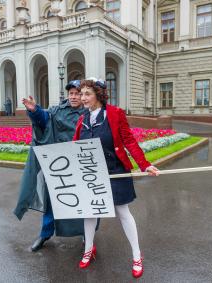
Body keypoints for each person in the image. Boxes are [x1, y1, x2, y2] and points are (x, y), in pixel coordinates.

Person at [72, 78, 160, 278]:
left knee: (123, 212)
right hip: (92, 173)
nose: (82, 98)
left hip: (115, 170)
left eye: (87, 94)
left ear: (98, 95)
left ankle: (137, 256)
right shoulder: (82, 118)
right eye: (81, 94)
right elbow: (76, 145)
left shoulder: (115, 114)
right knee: (90, 212)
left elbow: (128, 140)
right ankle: (89, 250)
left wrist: (144, 165)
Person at [14, 80, 86, 252]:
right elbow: (43, 120)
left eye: (77, 93)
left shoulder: (90, 112)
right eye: (71, 93)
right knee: (53, 201)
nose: (74, 96)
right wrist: (34, 110)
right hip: (59, 166)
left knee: (83, 201)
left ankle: (86, 233)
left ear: (82, 95)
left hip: (80, 165)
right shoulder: (57, 111)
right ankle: (45, 233)